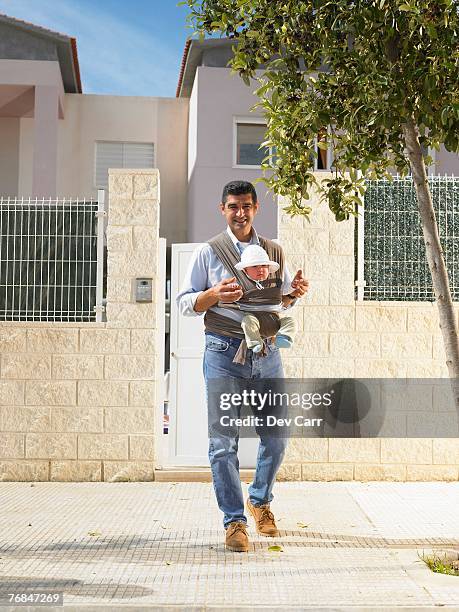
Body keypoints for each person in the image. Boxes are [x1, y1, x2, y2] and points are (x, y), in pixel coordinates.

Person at [177, 180, 309, 552]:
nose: (241, 213)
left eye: (247, 206)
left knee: (277, 437)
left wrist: (294, 294)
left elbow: (278, 303)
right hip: (222, 354)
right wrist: (214, 294)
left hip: (267, 354)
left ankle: (260, 500)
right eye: (233, 206)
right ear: (223, 209)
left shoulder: (274, 252)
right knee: (223, 444)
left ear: (255, 209)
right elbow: (184, 303)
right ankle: (234, 522)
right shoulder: (209, 253)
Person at [234, 244, 296, 353]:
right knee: (247, 321)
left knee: (290, 321)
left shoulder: (274, 284)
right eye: (254, 266)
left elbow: (286, 291)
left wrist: (293, 286)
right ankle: (254, 342)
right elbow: (234, 296)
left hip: (274, 318)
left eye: (263, 265)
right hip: (254, 317)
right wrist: (235, 291)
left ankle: (283, 337)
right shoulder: (242, 284)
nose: (260, 269)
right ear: (245, 271)